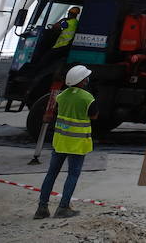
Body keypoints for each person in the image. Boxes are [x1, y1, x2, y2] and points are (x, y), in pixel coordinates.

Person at [34, 65, 96, 220]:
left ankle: (42, 208)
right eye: (86, 77)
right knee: (73, 175)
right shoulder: (88, 98)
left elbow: (55, 113)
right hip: (77, 144)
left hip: (60, 142)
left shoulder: (60, 97)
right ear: (82, 81)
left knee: (51, 174)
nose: (88, 79)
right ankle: (63, 207)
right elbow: (94, 116)